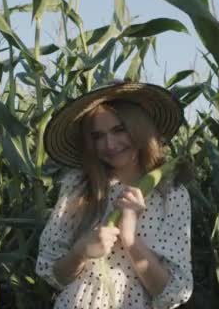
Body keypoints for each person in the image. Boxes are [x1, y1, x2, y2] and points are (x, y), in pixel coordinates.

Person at [35, 82, 193, 309]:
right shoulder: (78, 187)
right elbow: (54, 274)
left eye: (119, 130)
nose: (109, 144)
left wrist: (129, 238)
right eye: (98, 136)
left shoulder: (171, 195)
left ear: (140, 128)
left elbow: (172, 293)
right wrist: (81, 250)